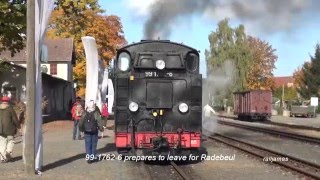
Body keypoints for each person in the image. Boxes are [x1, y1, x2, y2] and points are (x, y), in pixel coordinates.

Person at [0, 96, 20, 163]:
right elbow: (14, 119)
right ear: (8, 101)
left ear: (1, 101)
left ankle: (3, 158)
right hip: (10, 129)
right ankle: (8, 152)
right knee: (10, 141)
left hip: (0, 130)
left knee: (2, 143)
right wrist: (19, 127)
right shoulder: (10, 108)